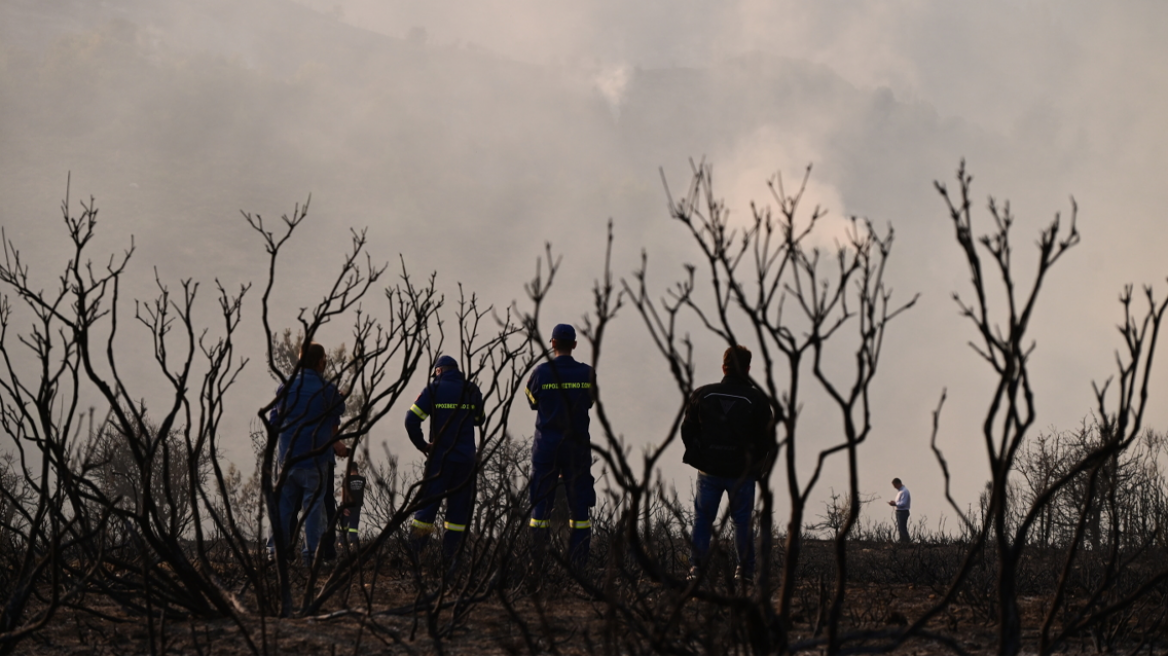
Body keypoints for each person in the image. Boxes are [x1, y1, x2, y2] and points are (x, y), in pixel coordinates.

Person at [681, 345, 775, 582]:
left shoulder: (703, 394)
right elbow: (767, 440)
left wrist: (699, 455)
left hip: (709, 470)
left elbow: (687, 430)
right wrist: (756, 466)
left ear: (724, 367)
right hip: (742, 473)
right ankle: (744, 571)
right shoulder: (757, 399)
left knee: (703, 519)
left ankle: (697, 569)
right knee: (742, 522)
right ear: (748, 368)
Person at [525, 323, 597, 571]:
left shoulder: (540, 373)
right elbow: (591, 400)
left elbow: (532, 401)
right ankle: (578, 565)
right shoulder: (587, 373)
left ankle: (538, 563)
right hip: (577, 448)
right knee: (579, 509)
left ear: (552, 343)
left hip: (547, 446)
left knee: (539, 507)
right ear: (574, 344)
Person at [270, 341, 347, 566]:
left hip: (288, 457)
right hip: (316, 458)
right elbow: (338, 409)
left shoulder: (286, 387)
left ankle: (277, 554)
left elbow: (275, 418)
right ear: (320, 361)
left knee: (283, 507)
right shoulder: (327, 390)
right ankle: (312, 556)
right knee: (314, 507)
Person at [405, 355, 484, 568]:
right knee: (457, 514)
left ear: (438, 371)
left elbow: (411, 419)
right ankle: (452, 561)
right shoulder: (472, 390)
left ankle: (415, 555)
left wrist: (422, 445)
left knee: (426, 511)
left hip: (439, 461)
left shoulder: (433, 389)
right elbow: (479, 420)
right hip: (465, 462)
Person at [339, 460, 367, 548]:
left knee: (344, 525)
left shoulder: (346, 479)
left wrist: (343, 506)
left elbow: (343, 494)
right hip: (357, 506)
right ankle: (353, 541)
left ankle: (342, 542)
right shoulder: (362, 480)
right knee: (354, 525)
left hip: (347, 505)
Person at [888, 478, 911, 543]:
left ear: (898, 484)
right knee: (900, 527)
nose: (894, 487)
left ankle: (906, 541)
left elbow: (903, 503)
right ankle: (902, 541)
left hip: (903, 512)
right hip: (899, 511)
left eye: (895, 485)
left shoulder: (904, 491)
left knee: (902, 527)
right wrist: (895, 503)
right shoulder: (900, 491)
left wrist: (895, 503)